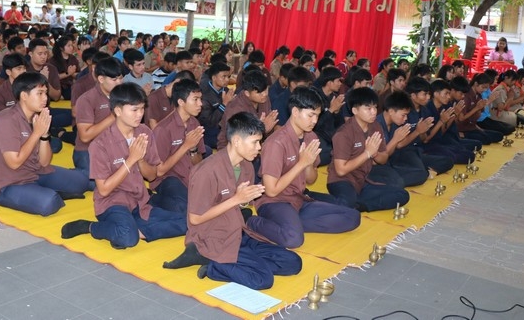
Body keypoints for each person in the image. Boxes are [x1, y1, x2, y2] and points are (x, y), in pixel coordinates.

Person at [163, 112, 302, 290]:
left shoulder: (247, 166)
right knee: (263, 280)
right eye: (255, 142)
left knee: (293, 262)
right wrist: (236, 198)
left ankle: (238, 263)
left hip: (237, 232)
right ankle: (213, 266)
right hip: (213, 238)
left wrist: (243, 200)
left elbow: (241, 206)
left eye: (260, 142)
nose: (259, 147)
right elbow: (195, 219)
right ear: (236, 141)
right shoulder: (206, 171)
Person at [61, 83, 187, 248]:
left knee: (188, 222)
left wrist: (140, 159)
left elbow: (151, 176)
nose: (140, 114)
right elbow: (104, 190)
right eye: (134, 110)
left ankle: (137, 230)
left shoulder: (144, 132)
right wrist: (131, 160)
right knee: (128, 239)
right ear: (118, 111)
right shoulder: (100, 144)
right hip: (112, 203)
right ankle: (90, 227)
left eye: (142, 109)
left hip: (139, 201)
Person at [247, 88, 361, 248]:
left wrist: (308, 165)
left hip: (298, 199)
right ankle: (252, 222)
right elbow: (271, 191)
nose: (314, 121)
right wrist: (301, 163)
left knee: (353, 216)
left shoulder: (311, 137)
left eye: (317, 115)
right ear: (295, 112)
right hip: (275, 202)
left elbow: (311, 180)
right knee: (293, 240)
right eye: (310, 115)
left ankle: (293, 223)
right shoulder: (276, 143)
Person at [0, 72, 90, 216]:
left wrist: (44, 136)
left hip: (35, 172)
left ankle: (46, 190)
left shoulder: (36, 117)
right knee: (49, 203)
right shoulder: (6, 120)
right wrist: (36, 133)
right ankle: (49, 192)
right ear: (24, 96)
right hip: (8, 182)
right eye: (39, 93)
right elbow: (14, 163)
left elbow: (44, 162)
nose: (45, 98)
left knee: (81, 182)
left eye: (45, 93)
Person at [327, 87, 410, 212]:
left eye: (375, 107)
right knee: (347, 201)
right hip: (342, 181)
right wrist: (367, 153)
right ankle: (350, 203)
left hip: (362, 180)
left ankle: (360, 206)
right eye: (368, 108)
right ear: (355, 110)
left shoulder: (375, 126)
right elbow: (341, 170)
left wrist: (375, 153)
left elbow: (383, 159)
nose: (374, 112)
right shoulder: (343, 134)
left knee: (402, 194)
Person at [149, 79, 205, 214]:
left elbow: (198, 162)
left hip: (189, 175)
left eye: (200, 99)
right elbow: (159, 171)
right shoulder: (163, 129)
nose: (200, 104)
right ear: (181, 102)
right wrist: (185, 146)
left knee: (209, 201)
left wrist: (193, 149)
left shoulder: (194, 123)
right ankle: (152, 199)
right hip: (168, 178)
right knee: (184, 208)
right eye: (195, 100)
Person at [73, 57, 125, 175]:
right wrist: (113, 116)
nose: (119, 83)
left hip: (115, 145)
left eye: (121, 78)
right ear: (101, 79)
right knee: (94, 180)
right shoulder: (86, 99)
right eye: (114, 79)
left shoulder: (123, 95)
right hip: (88, 149)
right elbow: (85, 136)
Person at [218, 68, 278, 150]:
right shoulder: (236, 108)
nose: (264, 94)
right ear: (247, 93)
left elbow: (268, 128)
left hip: (257, 145)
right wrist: (261, 130)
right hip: (233, 150)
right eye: (259, 92)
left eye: (266, 89)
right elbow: (238, 140)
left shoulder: (264, 99)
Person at [198, 61, 234, 150]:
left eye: (228, 77)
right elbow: (209, 122)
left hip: (224, 128)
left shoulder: (226, 90)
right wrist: (224, 104)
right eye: (223, 77)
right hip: (208, 132)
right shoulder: (204, 94)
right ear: (214, 78)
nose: (227, 80)